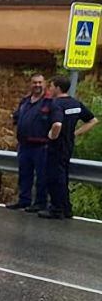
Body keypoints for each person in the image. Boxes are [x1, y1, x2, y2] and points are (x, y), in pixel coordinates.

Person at [39, 75, 98, 219]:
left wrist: (52, 136)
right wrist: (75, 133)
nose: (50, 89)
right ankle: (66, 208)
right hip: (68, 146)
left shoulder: (56, 104)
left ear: (58, 88)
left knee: (54, 177)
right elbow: (93, 120)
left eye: (51, 86)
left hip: (56, 146)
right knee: (63, 177)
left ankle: (56, 209)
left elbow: (57, 124)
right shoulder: (75, 104)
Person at [5, 74, 52, 212]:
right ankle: (24, 200)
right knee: (24, 175)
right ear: (30, 84)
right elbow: (16, 117)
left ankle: (40, 203)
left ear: (45, 84)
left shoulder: (49, 102)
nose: (37, 85)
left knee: (42, 177)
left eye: (40, 83)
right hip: (24, 146)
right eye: (34, 83)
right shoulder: (25, 101)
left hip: (41, 146)